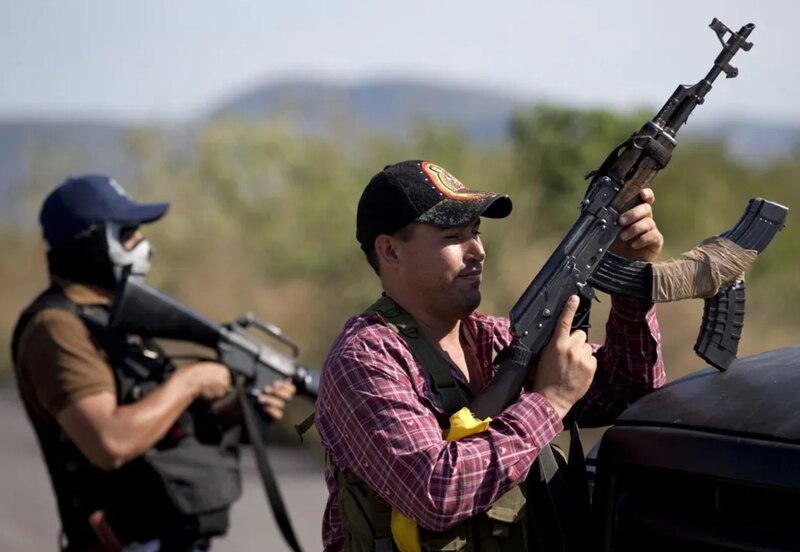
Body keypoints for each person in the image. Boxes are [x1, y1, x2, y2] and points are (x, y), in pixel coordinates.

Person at [314, 160, 666, 552]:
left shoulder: (494, 339)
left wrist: (633, 275)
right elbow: (435, 492)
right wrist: (549, 403)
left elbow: (632, 393)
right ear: (390, 250)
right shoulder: (366, 358)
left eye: (476, 233)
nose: (478, 251)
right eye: (453, 236)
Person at [11, 175, 297, 552]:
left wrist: (238, 412)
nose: (144, 247)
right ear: (93, 243)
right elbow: (110, 442)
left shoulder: (108, 320)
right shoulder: (57, 328)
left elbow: (159, 431)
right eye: (129, 233)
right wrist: (190, 381)